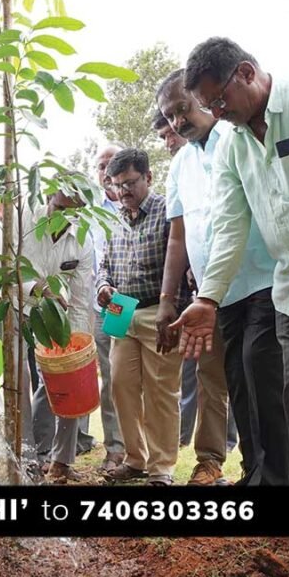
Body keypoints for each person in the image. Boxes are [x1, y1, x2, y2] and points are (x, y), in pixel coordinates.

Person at [171, 37, 289, 562]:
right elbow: (232, 223)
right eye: (208, 106)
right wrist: (208, 297)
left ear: (246, 73)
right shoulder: (232, 142)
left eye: (219, 100)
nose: (217, 113)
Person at [157, 70, 288, 488]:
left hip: (265, 279)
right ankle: (255, 473)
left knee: (262, 375)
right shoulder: (179, 165)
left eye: (183, 108)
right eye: (170, 116)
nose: (178, 121)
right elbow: (178, 236)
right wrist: (167, 299)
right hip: (218, 295)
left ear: (203, 99)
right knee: (239, 384)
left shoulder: (238, 139)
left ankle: (280, 477)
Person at [97, 148, 182, 486]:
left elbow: (179, 261)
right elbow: (104, 263)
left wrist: (171, 305)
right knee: (120, 385)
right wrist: (103, 285)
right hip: (120, 309)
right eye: (117, 186)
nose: (123, 192)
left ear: (148, 177)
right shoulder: (115, 216)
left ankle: (162, 468)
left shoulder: (166, 210)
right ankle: (135, 459)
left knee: (161, 391)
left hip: (155, 309)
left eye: (130, 183)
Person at [25, 189, 97, 483]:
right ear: (48, 198)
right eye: (58, 208)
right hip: (17, 308)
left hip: (56, 317)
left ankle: (60, 462)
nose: (63, 217)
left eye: (72, 211)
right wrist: (38, 288)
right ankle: (28, 459)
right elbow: (1, 267)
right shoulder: (24, 220)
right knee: (19, 384)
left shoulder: (84, 238)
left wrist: (77, 345)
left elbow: (80, 298)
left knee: (68, 381)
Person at [89, 144, 126, 474]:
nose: (107, 172)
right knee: (110, 377)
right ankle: (115, 448)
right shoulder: (88, 210)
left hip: (128, 303)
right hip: (101, 305)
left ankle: (140, 447)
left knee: (134, 377)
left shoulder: (137, 202)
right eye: (101, 166)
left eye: (112, 166)